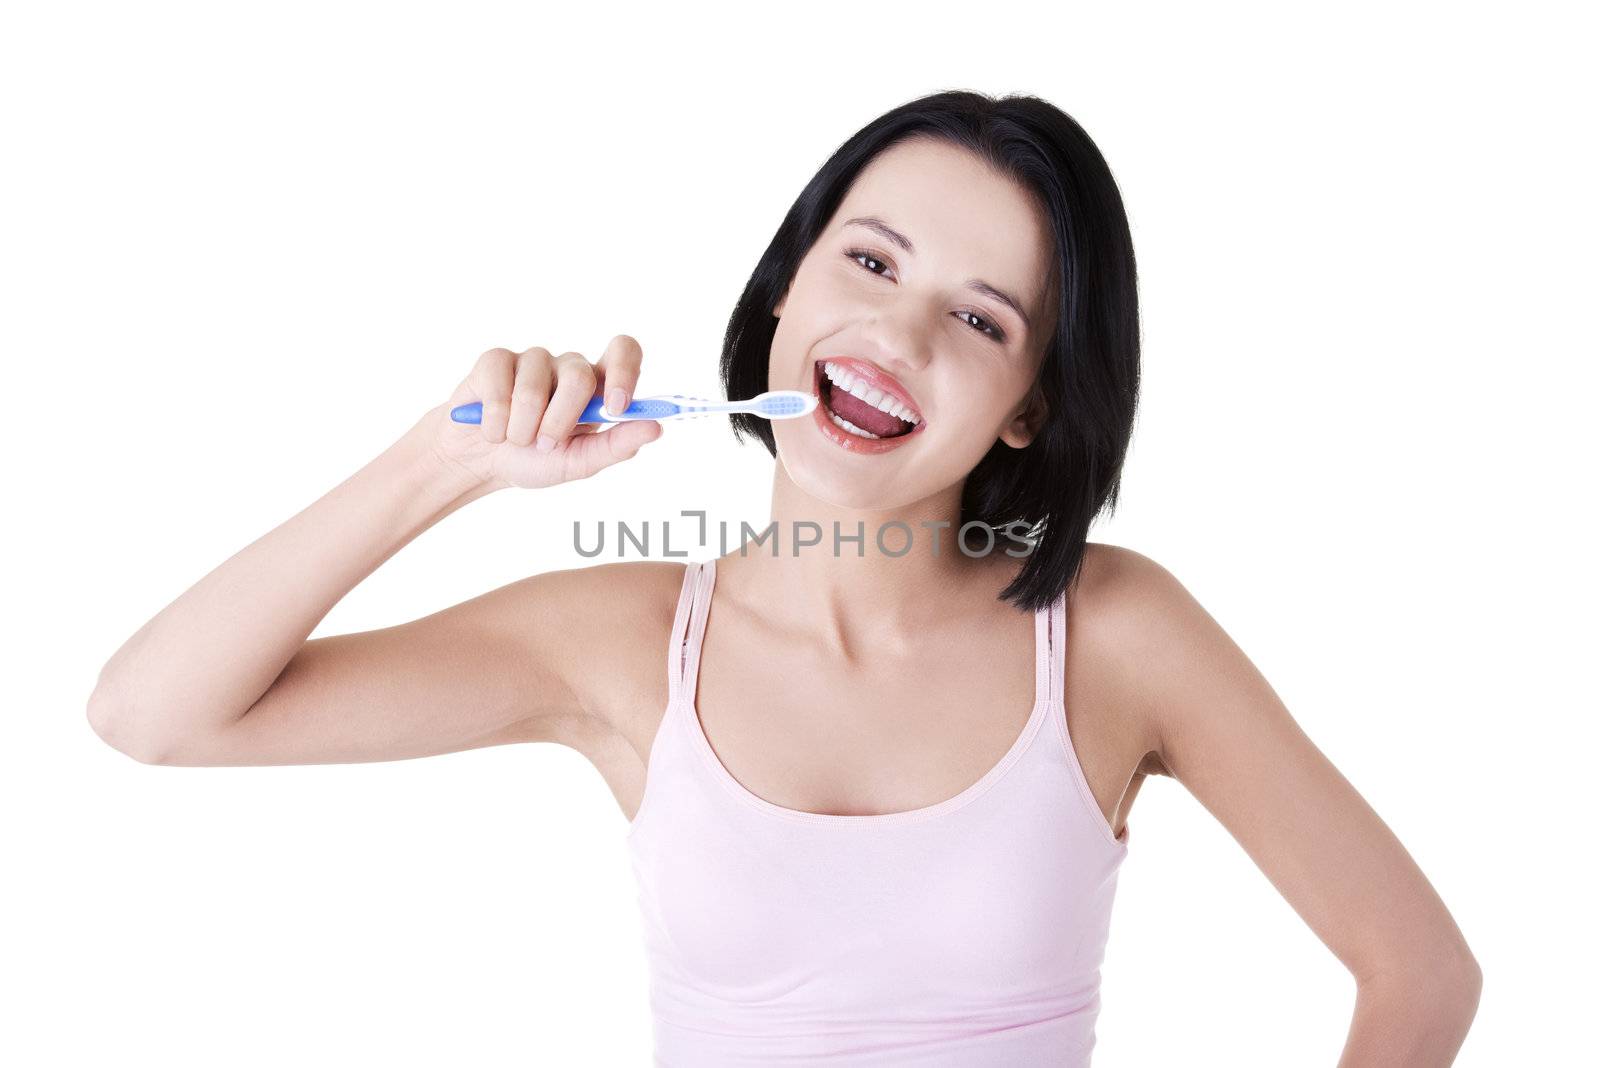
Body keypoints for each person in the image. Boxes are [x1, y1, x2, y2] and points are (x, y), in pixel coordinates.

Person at [86, 91, 1481, 1065]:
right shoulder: (621, 640)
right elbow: (157, 715)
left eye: (979, 318)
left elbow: (1421, 975)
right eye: (868, 259)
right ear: (782, 299)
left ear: (1027, 408)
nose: (895, 326)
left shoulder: (1116, 635)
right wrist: (442, 464)